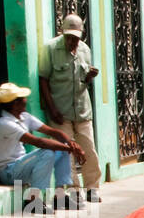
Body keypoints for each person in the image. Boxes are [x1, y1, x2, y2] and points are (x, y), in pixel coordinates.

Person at [0, 82, 84, 215]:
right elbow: (39, 142)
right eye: (22, 98)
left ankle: (60, 196)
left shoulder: (24, 117)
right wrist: (71, 148)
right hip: (9, 172)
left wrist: (70, 144)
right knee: (49, 151)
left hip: (22, 165)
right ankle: (32, 201)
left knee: (61, 150)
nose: (25, 100)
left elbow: (53, 132)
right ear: (15, 104)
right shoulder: (4, 123)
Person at [38, 13, 101, 203]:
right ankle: (74, 190)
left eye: (76, 38)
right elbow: (43, 80)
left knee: (88, 148)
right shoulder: (50, 49)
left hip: (82, 109)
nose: (72, 42)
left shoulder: (85, 50)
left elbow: (83, 79)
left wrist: (90, 76)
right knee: (67, 151)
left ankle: (92, 188)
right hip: (60, 111)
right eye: (69, 38)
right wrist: (52, 109)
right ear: (63, 33)